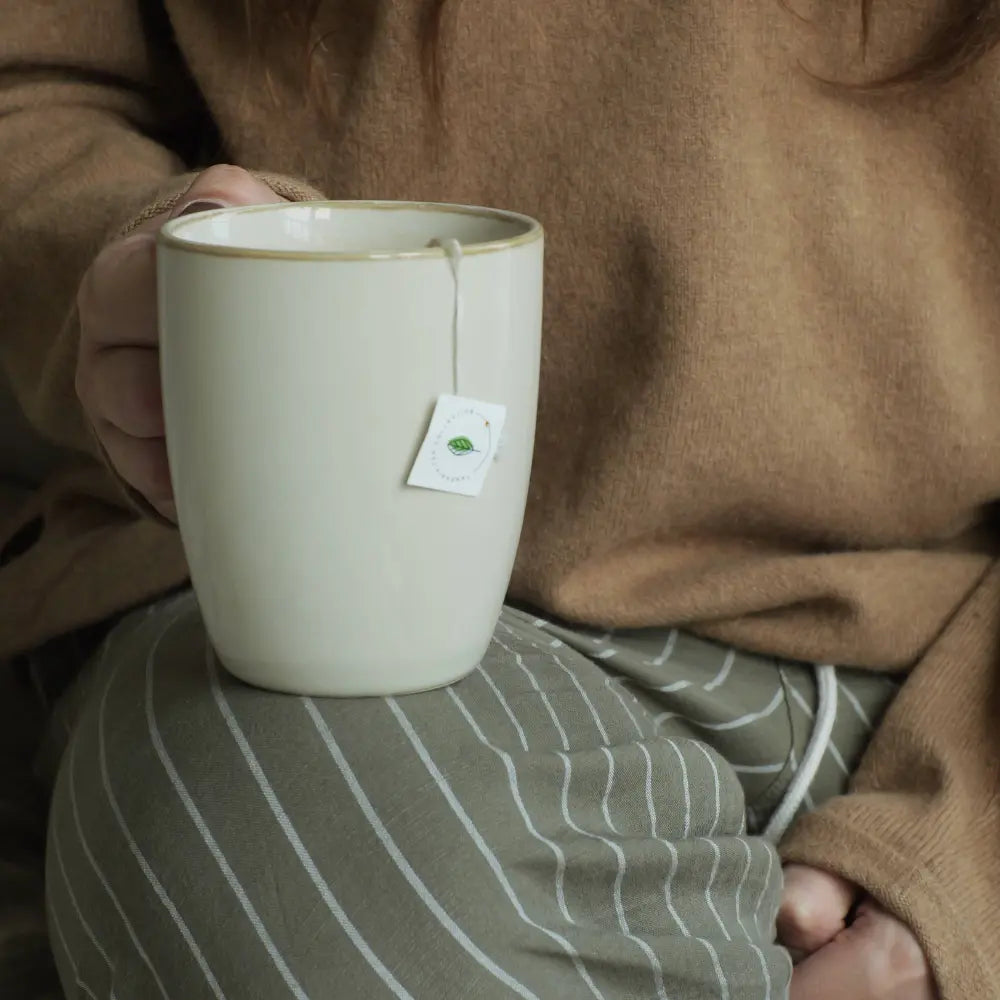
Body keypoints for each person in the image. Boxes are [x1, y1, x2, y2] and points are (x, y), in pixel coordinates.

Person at [1, 1, 998, 997]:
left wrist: (967, 850)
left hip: (918, 677)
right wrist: (149, 275)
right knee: (255, 825)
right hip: (285, 610)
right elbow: (34, 81)